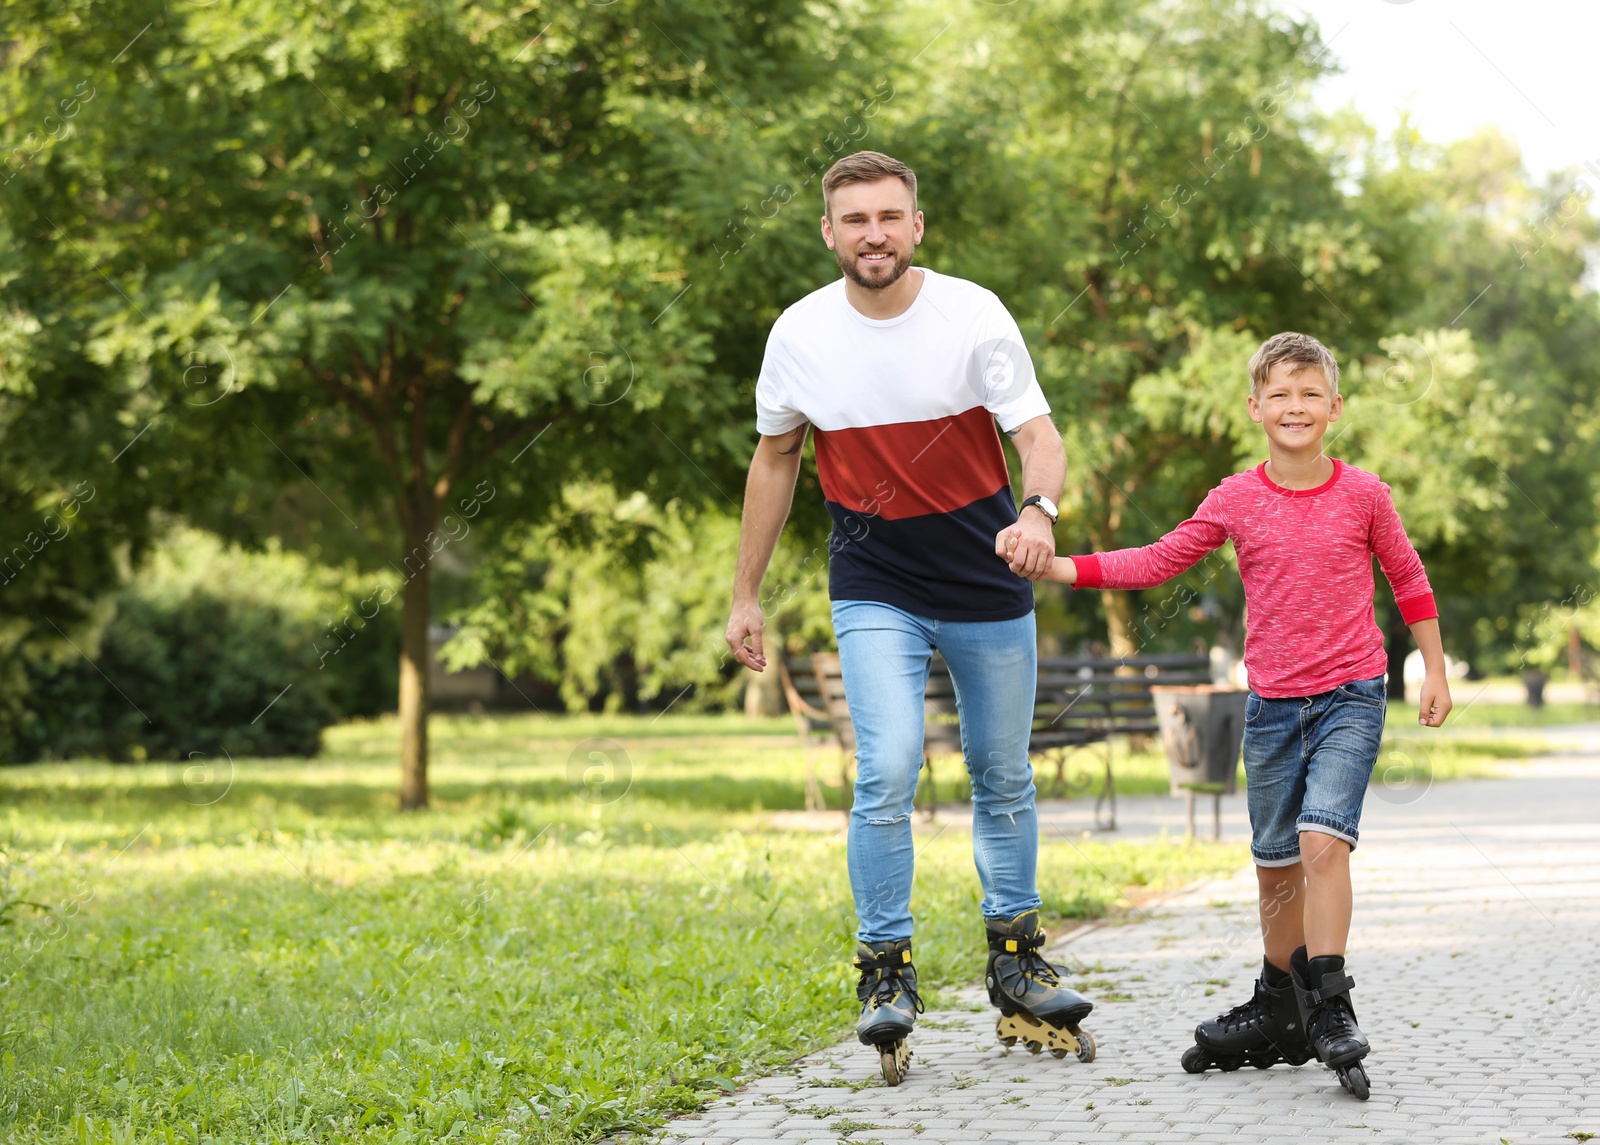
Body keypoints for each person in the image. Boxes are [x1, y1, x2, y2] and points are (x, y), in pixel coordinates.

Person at [724, 150, 1094, 1085]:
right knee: (885, 767)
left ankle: (1016, 957)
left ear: (916, 225)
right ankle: (884, 971)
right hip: (874, 578)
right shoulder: (800, 332)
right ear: (829, 232)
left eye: (890, 216)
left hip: (985, 575)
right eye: (855, 220)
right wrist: (745, 592)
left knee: (1002, 772)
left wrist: (1038, 513)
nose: (874, 234)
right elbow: (774, 462)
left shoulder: (973, 313)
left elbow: (1038, 438)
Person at [1005, 331, 1452, 1100]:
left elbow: (1407, 576)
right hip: (1273, 705)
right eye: (1279, 394)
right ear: (1254, 408)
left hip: (1351, 692)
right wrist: (1064, 566)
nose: (1295, 406)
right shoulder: (1237, 497)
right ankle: (1281, 1002)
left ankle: (1332, 1002)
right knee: (1275, 860)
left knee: (1321, 842)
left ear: (1335, 407)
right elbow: (1160, 557)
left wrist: (1434, 666)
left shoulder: (1365, 494)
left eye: (1311, 393)